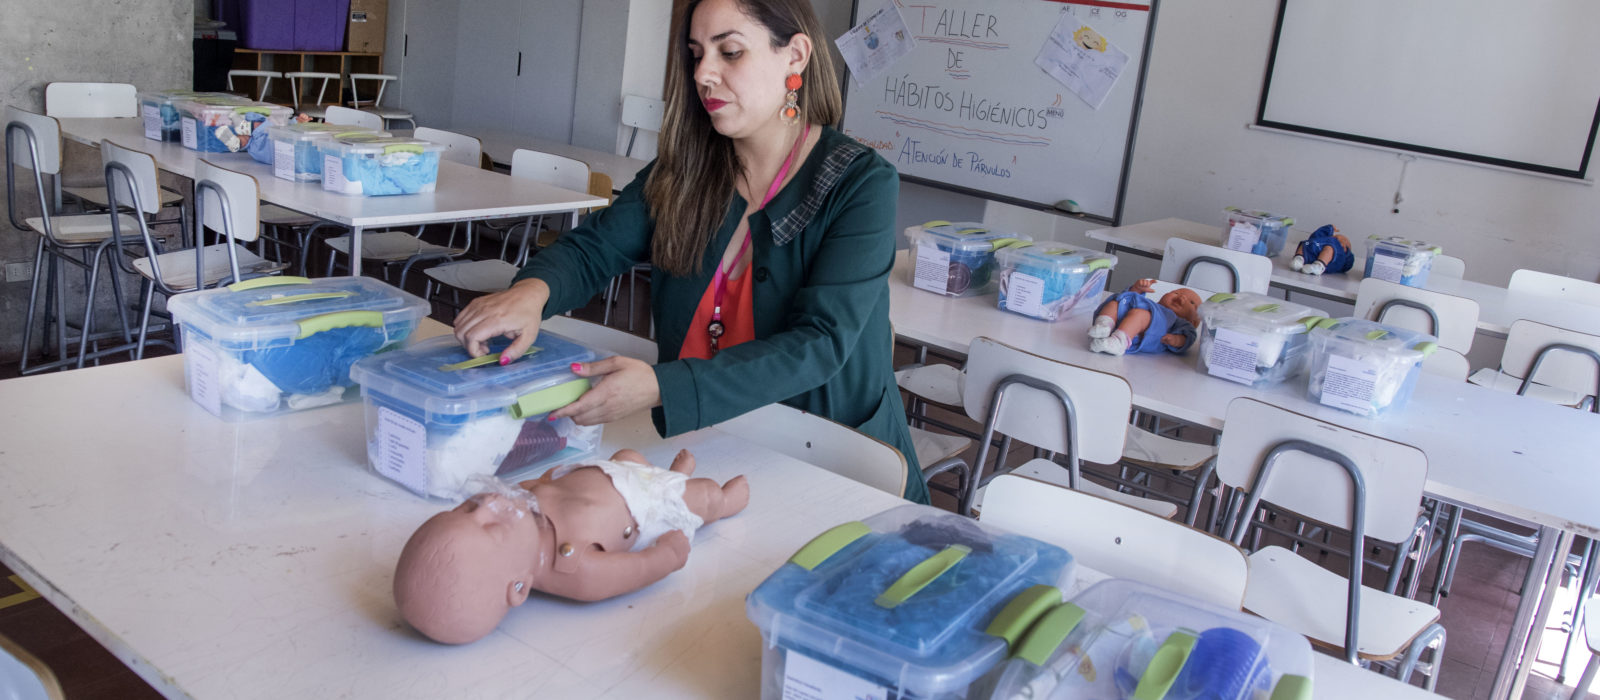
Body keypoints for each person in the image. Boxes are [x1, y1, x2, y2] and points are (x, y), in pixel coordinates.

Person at [453, 0, 928, 503]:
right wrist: (533, 290)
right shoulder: (686, 169)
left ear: (796, 56)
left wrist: (662, 388)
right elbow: (596, 246)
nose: (705, 73)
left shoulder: (858, 183)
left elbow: (820, 343)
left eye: (730, 52)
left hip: (829, 464)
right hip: (712, 448)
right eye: (697, 54)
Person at [394, 449, 749, 644]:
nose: (489, 505)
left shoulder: (519, 508)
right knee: (702, 496)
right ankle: (725, 500)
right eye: (492, 528)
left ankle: (672, 471)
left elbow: (541, 484)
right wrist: (667, 556)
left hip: (613, 468)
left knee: (631, 454)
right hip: (650, 506)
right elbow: (635, 570)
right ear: (517, 587)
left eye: (468, 508)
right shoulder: (574, 568)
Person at [1087, 278, 1201, 355]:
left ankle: (1119, 342)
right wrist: (1136, 290)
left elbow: (1190, 335)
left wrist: (1178, 340)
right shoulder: (1152, 306)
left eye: (1191, 303)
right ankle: (1104, 325)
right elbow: (1127, 300)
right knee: (1115, 303)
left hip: (1144, 334)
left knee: (1140, 314)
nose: (1181, 298)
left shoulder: (1176, 321)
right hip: (1121, 321)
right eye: (1176, 293)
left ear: (1193, 322)